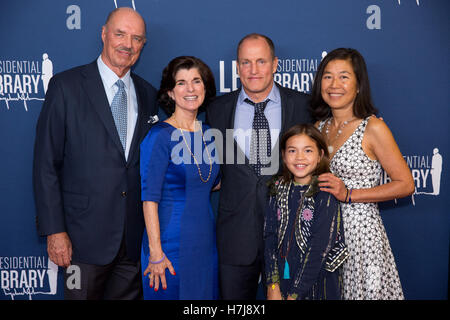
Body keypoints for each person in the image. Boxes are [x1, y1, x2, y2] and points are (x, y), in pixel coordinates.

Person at [33, 7, 158, 300]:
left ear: (142, 46)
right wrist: (55, 231)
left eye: (137, 38)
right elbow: (46, 164)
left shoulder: (148, 94)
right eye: (120, 34)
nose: (127, 44)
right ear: (103, 34)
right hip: (80, 242)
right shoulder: (65, 87)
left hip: (131, 242)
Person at [206, 33, 311, 299]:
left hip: (288, 236)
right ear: (237, 66)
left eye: (261, 61)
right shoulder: (217, 109)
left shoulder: (303, 106)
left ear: (275, 64)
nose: (253, 70)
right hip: (234, 237)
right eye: (246, 62)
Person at [311, 48, 415, 299]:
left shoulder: (373, 127)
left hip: (362, 237)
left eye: (344, 77)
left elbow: (406, 184)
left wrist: (349, 195)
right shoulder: (318, 128)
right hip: (325, 234)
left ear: (358, 85)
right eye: (328, 76)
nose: (334, 84)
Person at [140, 56, 220, 300]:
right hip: (168, 246)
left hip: (205, 244)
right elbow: (149, 199)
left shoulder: (210, 134)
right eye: (181, 83)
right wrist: (156, 253)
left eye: (196, 81)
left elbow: (210, 181)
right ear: (171, 93)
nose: (191, 89)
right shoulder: (159, 136)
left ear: (205, 88)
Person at [264, 124, 348, 300]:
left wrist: (295, 294)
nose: (299, 157)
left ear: (320, 156)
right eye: (292, 151)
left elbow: (320, 248)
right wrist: (273, 284)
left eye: (308, 151)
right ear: (284, 156)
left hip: (318, 281)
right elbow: (270, 237)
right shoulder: (277, 188)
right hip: (283, 278)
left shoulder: (325, 192)